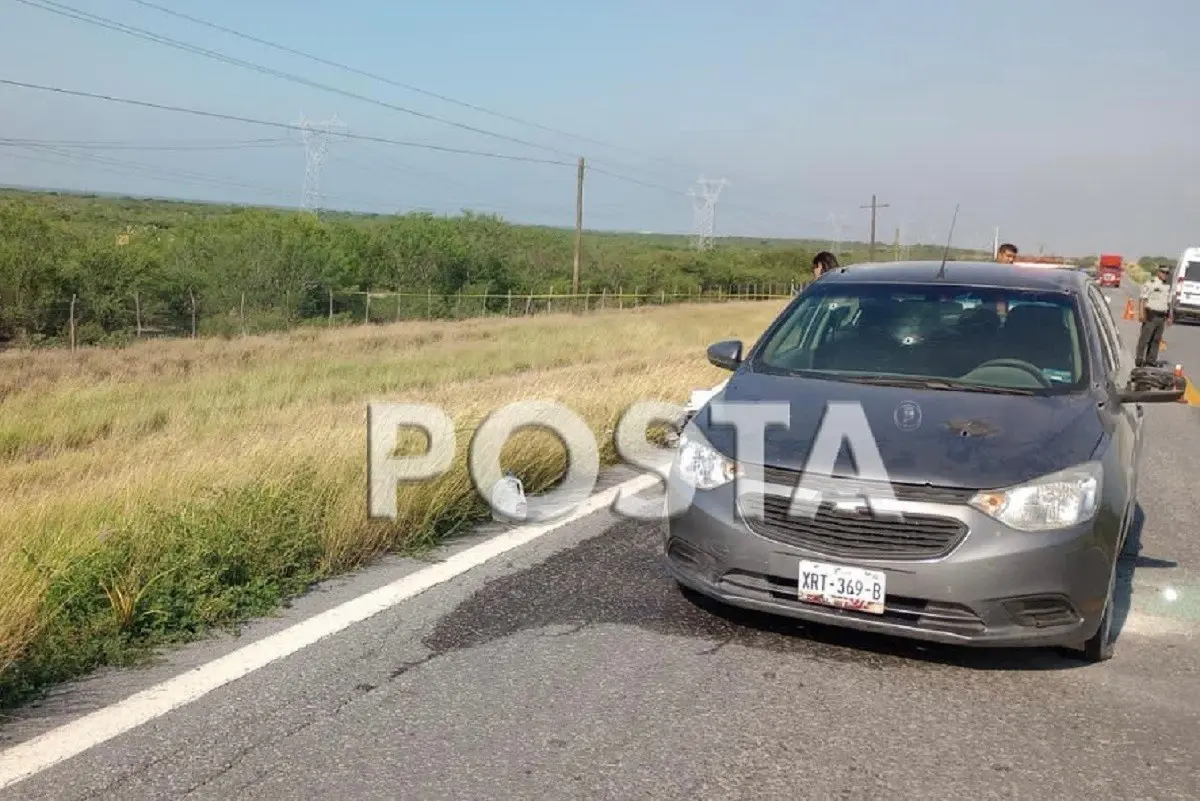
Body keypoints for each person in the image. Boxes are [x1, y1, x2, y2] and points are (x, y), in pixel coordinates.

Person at [1136, 264, 1174, 367]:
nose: (1165, 274)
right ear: (1158, 272)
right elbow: (1143, 299)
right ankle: (1139, 359)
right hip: (1151, 315)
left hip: (1162, 316)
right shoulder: (1151, 283)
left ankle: (1151, 360)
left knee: (1156, 340)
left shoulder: (1168, 286)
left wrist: (1170, 316)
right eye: (1163, 272)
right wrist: (1141, 314)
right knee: (1145, 338)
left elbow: (1169, 302)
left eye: (1167, 273)